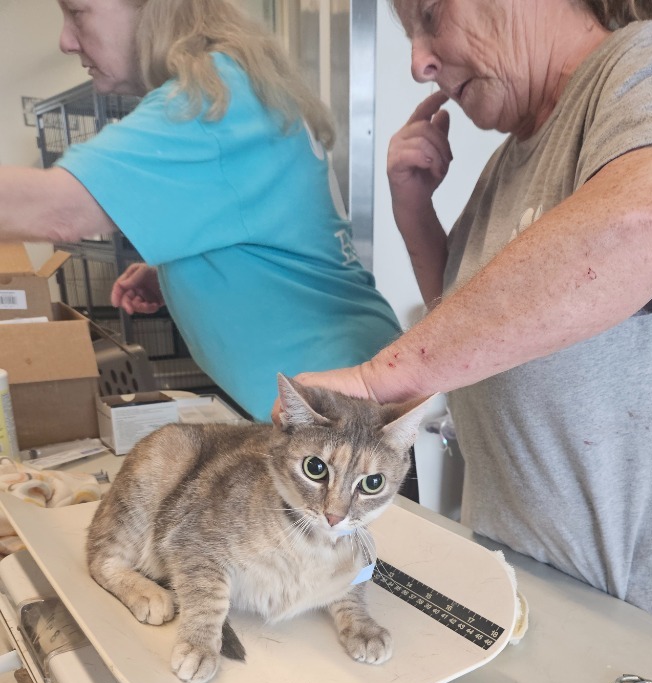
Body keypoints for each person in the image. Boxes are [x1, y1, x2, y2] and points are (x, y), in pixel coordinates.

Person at [284, 0, 652, 650]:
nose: (419, 61)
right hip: (521, 580)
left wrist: (381, 378)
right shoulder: (509, 159)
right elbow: (482, 341)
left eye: (430, 16)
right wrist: (413, 211)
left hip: (644, 613)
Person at [0, 0, 401, 421]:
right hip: (342, 394)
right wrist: (185, 274)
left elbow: (59, 211)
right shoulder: (239, 83)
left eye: (78, 12)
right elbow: (272, 230)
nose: (65, 40)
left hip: (340, 419)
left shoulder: (211, 99)